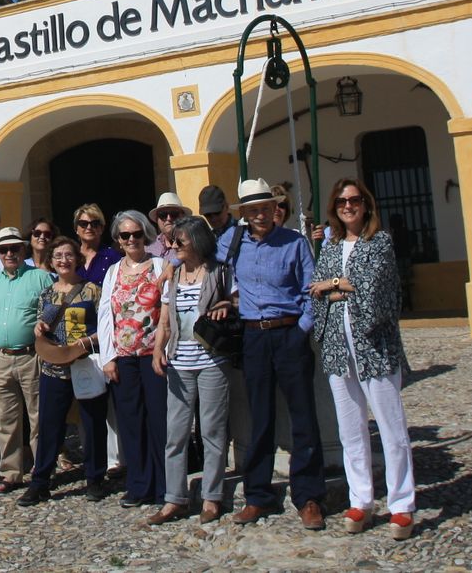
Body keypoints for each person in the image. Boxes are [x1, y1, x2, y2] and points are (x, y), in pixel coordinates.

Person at [309, 180, 416, 539]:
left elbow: (376, 290)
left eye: (354, 200)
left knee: (391, 427)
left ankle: (401, 503)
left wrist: (335, 285)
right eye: (341, 200)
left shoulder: (380, 243)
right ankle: (361, 499)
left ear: (366, 204)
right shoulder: (330, 245)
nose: (348, 205)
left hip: (376, 347)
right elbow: (315, 290)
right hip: (339, 347)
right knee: (350, 429)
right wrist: (341, 286)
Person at [220, 177, 327, 530]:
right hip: (254, 336)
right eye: (254, 210)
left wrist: (301, 330)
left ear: (274, 209)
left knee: (302, 416)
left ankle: (309, 496)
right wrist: (172, 265)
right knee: (260, 418)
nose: (261, 215)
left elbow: (311, 288)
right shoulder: (234, 243)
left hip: (288, 333)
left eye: (266, 208)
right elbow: (201, 254)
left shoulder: (294, 243)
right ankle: (258, 496)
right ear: (245, 214)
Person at [148, 215, 237, 525]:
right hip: (179, 362)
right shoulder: (172, 276)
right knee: (176, 434)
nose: (173, 247)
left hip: (211, 361)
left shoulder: (218, 272)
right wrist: (158, 348)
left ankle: (211, 496)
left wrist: (227, 305)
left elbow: (237, 300)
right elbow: (164, 318)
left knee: (213, 431)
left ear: (197, 242)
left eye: (179, 242)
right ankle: (174, 498)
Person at [20, 236, 107, 506]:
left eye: (68, 255)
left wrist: (87, 342)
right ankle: (41, 481)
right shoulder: (47, 294)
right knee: (50, 426)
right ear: (51, 261)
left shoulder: (93, 290)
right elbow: (41, 323)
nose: (63, 260)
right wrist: (38, 329)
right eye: (58, 256)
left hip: (85, 365)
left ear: (77, 258)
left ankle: (95, 478)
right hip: (54, 368)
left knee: (92, 425)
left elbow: (105, 327)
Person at [99, 209, 168, 509]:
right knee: (131, 422)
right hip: (124, 357)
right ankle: (139, 485)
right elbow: (106, 314)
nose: (131, 240)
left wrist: (164, 349)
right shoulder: (113, 271)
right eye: (125, 235)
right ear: (118, 239)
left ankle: (165, 486)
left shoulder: (159, 265)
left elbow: (169, 309)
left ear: (145, 235)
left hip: (154, 356)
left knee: (159, 421)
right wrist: (108, 357)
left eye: (136, 234)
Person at [0, 226, 54, 493]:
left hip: (31, 356)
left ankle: (42, 469)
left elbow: (53, 315)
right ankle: (10, 472)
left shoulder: (41, 278)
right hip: (0, 359)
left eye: (15, 248)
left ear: (23, 250)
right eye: (4, 249)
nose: (10, 253)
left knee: (37, 416)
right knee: (6, 419)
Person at [74, 203, 122, 285]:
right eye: (83, 224)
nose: (89, 228)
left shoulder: (112, 256)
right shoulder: (70, 256)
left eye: (94, 224)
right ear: (76, 229)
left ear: (102, 228)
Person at [147, 192, 190, 264]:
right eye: (163, 214)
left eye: (174, 214)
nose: (168, 218)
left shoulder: (192, 244)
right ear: (157, 219)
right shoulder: (148, 247)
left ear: (183, 217)